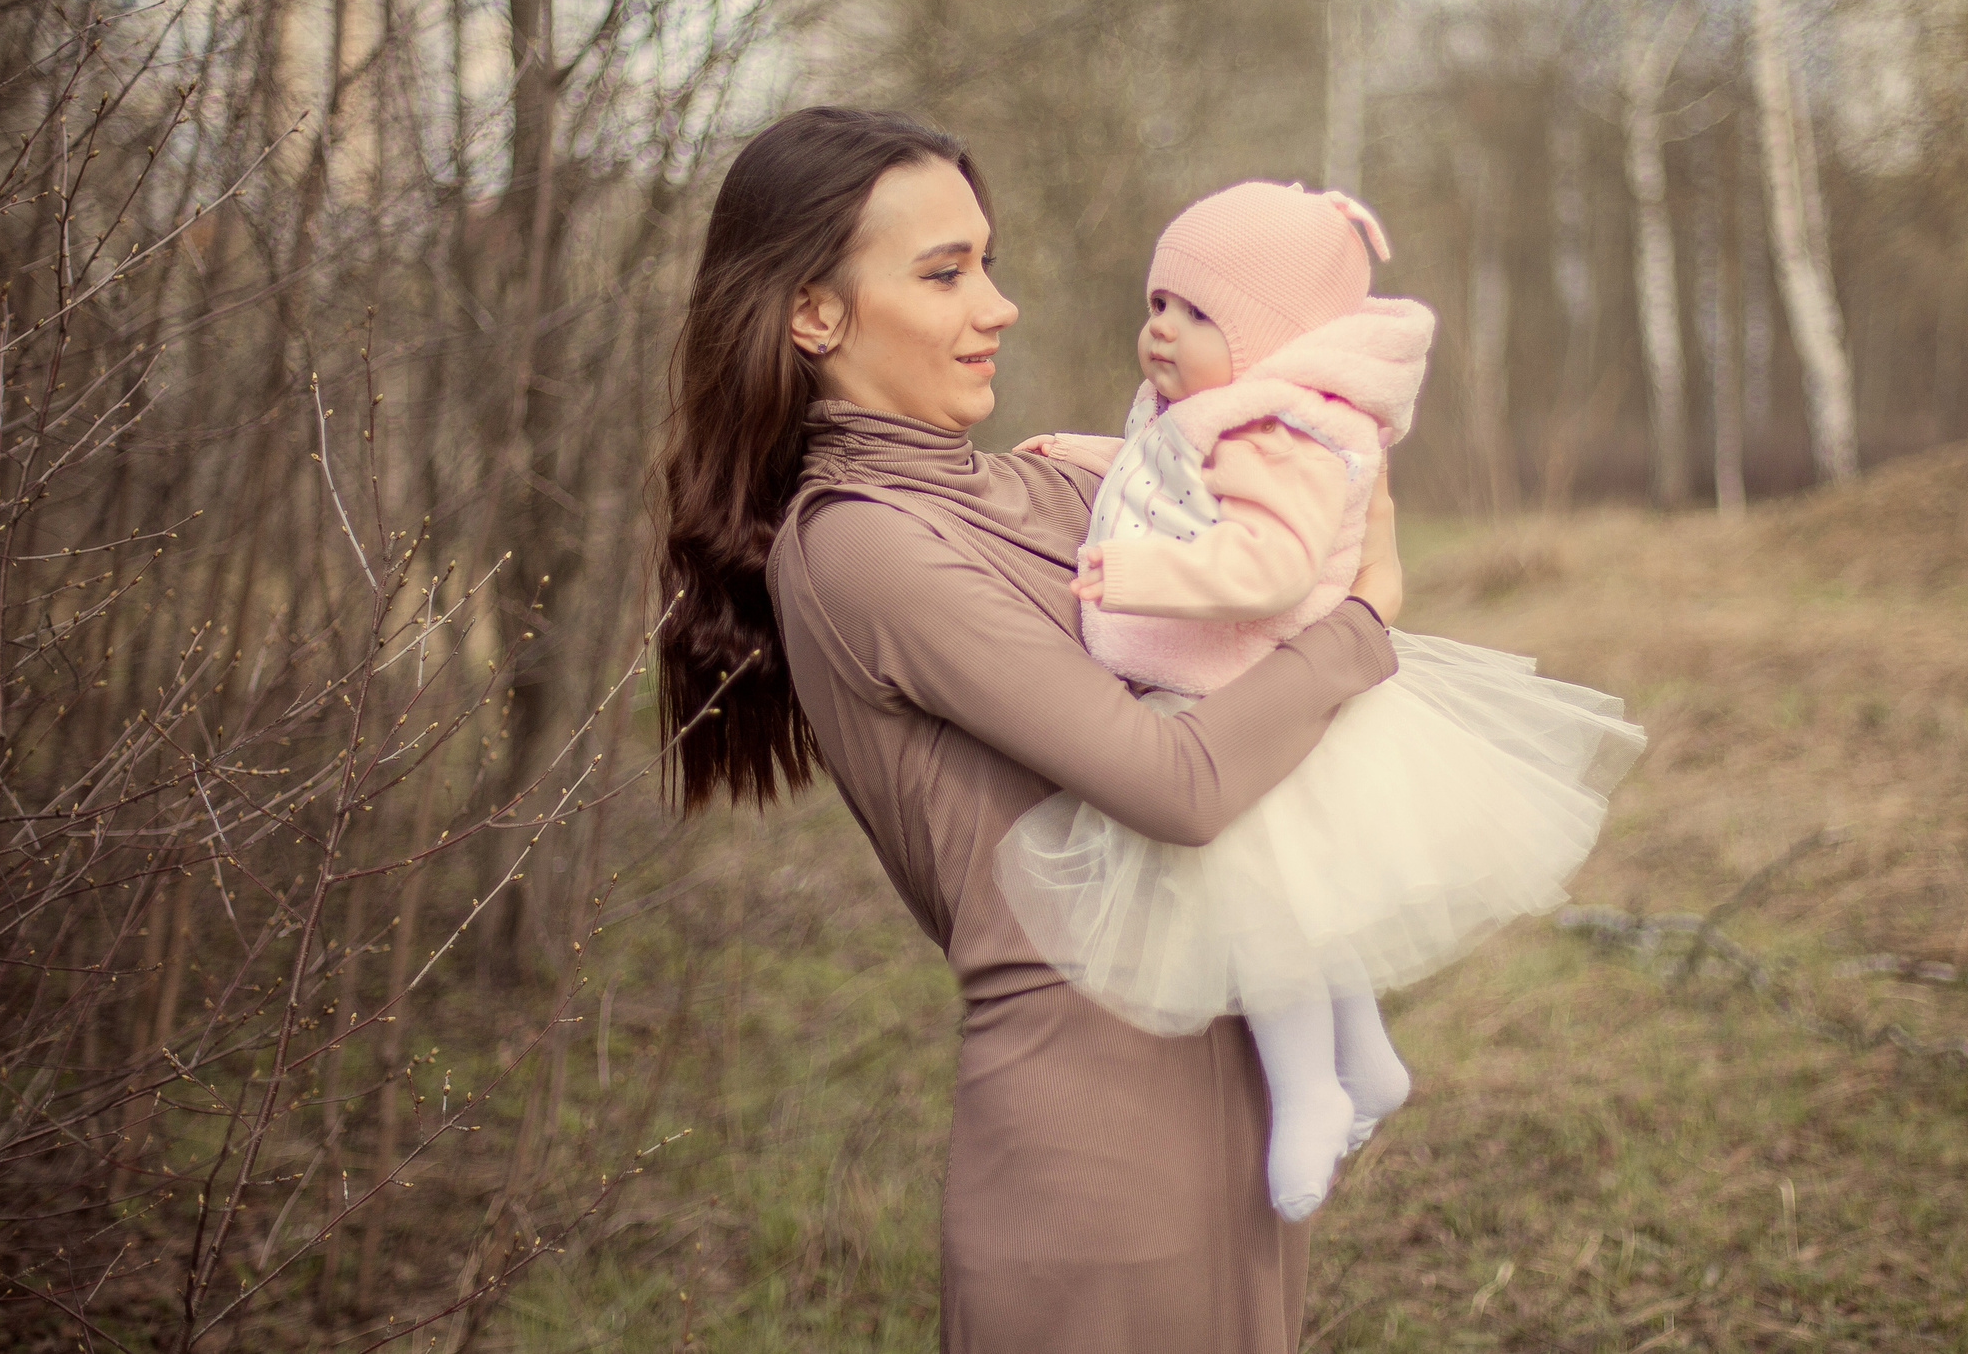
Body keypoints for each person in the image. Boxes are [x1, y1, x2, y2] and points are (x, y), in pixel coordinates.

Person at [655, 108, 1404, 1352]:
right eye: (944, 273)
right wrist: (1366, 621)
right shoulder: (859, 545)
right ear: (814, 314)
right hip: (1096, 1140)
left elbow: (1280, 493)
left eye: (988, 263)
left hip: (1247, 1081)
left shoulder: (1048, 481)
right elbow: (1178, 782)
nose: (997, 306)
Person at [1000, 180, 1645, 1221]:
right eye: (1157, 302)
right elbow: (1169, 481)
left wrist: (1136, 575)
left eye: (1197, 313)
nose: (1160, 329)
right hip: (1241, 697)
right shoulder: (1224, 416)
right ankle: (1371, 1064)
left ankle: (1311, 1094)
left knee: (1268, 924)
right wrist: (1083, 454)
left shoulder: (1282, 434)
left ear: (1271, 339)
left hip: (1255, 705)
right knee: (1304, 903)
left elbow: (1273, 562)